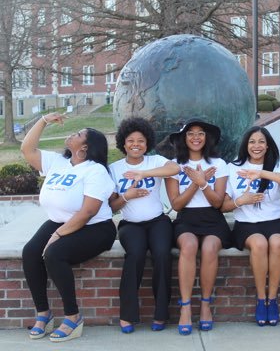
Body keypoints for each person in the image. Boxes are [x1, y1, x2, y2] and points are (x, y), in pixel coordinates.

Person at [21, 112, 116, 342]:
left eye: (79, 134)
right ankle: (44, 314)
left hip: (96, 227)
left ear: (85, 147)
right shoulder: (58, 162)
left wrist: (57, 235)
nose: (73, 133)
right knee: (31, 252)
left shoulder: (96, 170)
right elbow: (27, 149)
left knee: (54, 253)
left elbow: (88, 212)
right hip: (60, 221)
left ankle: (73, 317)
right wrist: (43, 121)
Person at [221, 126, 280, 327]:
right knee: (260, 244)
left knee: (278, 243)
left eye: (261, 142)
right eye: (252, 142)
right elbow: (223, 206)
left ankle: (272, 299)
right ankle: (260, 298)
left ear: (268, 145)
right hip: (246, 224)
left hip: (275, 222)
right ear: (246, 145)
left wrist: (262, 173)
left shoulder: (277, 166)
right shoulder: (233, 168)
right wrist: (242, 200)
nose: (257, 146)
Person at [108, 117, 180, 334]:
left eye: (141, 140)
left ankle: (161, 313)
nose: (136, 144)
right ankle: (127, 314)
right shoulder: (114, 169)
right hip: (131, 225)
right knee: (136, 255)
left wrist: (144, 173)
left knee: (161, 255)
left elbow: (175, 169)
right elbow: (112, 207)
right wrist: (127, 196)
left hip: (158, 221)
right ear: (123, 143)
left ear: (147, 143)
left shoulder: (155, 161)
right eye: (131, 140)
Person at [165, 118, 231, 335]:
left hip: (213, 219)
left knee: (210, 247)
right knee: (189, 246)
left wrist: (203, 183)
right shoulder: (175, 165)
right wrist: (195, 183)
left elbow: (218, 202)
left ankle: (205, 304)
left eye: (200, 133)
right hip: (186, 219)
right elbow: (176, 204)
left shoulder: (218, 164)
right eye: (191, 133)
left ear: (207, 138)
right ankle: (185, 307)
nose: (196, 137)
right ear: (184, 138)